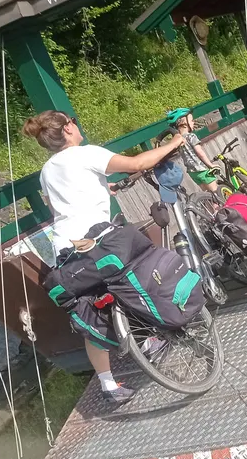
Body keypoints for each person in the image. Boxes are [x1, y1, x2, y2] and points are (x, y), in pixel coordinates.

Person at [22, 110, 185, 403]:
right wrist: (176, 141)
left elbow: (58, 204)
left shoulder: (47, 170)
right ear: (67, 128)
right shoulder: (86, 154)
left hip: (66, 249)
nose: (76, 125)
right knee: (138, 270)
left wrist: (99, 187)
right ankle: (155, 334)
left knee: (91, 308)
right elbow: (137, 163)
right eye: (72, 121)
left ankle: (109, 384)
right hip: (96, 241)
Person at [167, 109, 220, 194]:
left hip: (192, 172)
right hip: (202, 169)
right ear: (184, 123)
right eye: (191, 120)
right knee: (216, 192)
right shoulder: (191, 136)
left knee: (208, 195)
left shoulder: (178, 140)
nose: (193, 122)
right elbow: (200, 153)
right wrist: (210, 165)